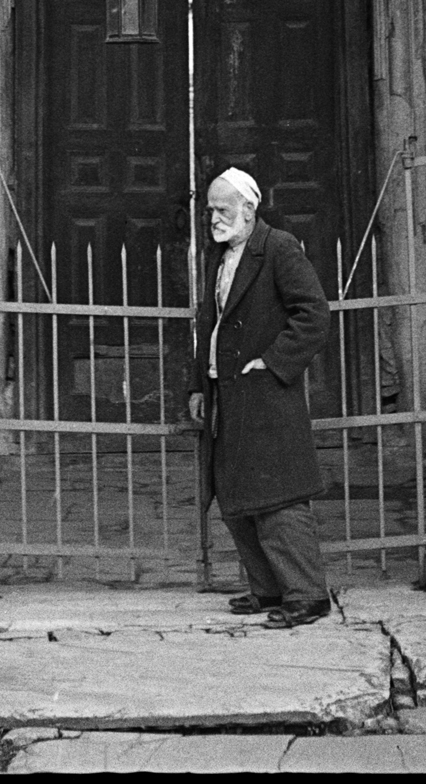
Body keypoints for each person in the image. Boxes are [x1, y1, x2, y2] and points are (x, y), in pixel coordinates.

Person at [187, 167, 332, 629]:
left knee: (279, 499)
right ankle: (268, 589)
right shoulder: (222, 256)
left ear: (249, 211)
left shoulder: (279, 248)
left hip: (265, 393)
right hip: (227, 391)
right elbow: (209, 327)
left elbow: (313, 314)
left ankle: (307, 596)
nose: (213, 218)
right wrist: (197, 384)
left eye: (222, 209)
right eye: (210, 210)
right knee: (235, 495)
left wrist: (272, 363)